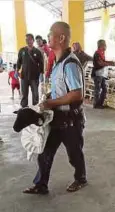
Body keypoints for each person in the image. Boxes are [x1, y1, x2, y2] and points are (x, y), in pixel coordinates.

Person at [23, 21, 87, 195]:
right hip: (57, 117)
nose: (48, 36)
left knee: (74, 152)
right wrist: (50, 96)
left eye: (50, 33)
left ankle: (81, 178)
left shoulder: (70, 64)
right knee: (45, 151)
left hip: (71, 119)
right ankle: (41, 184)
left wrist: (51, 103)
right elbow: (63, 89)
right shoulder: (59, 62)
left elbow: (76, 94)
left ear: (61, 38)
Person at [17, 34, 44, 108]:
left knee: (35, 94)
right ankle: (24, 108)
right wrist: (17, 71)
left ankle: (36, 108)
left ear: (32, 40)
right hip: (24, 77)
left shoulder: (37, 51)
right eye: (26, 39)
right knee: (24, 94)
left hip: (34, 77)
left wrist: (41, 74)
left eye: (29, 39)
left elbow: (41, 63)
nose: (27, 41)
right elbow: (19, 62)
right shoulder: (22, 50)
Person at [92, 39, 115, 109]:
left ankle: (100, 103)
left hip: (102, 74)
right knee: (97, 90)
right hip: (97, 74)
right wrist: (109, 63)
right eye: (105, 45)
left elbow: (103, 61)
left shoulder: (101, 53)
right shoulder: (97, 53)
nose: (106, 47)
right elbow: (100, 63)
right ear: (101, 46)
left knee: (104, 89)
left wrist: (110, 62)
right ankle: (96, 104)